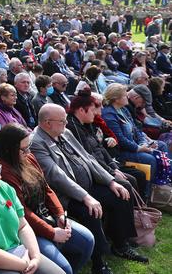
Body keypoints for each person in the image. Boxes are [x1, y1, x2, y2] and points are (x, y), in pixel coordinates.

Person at [32, 104, 147, 273]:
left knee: (122, 191)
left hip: (88, 186)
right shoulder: (37, 142)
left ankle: (121, 244)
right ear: (47, 123)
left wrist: (110, 181)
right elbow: (56, 176)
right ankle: (99, 263)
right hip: (67, 196)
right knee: (91, 211)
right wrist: (86, 196)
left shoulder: (65, 133)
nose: (66, 123)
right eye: (63, 121)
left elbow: (88, 158)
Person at [0, 124, 94, 274]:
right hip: (27, 227)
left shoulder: (29, 158)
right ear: (8, 148)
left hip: (46, 216)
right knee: (63, 269)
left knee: (87, 240)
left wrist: (59, 215)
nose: (28, 152)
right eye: (23, 149)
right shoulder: (3, 172)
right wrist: (52, 232)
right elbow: (22, 212)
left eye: (29, 146)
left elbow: (46, 188)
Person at [67, 90, 147, 199]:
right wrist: (111, 171)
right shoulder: (74, 127)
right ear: (81, 110)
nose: (97, 111)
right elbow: (89, 156)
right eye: (94, 108)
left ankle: (140, 208)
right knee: (128, 182)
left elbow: (100, 147)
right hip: (96, 170)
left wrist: (113, 168)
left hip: (107, 163)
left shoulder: (88, 123)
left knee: (135, 177)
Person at [101, 83, 161, 197]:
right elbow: (120, 139)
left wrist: (144, 143)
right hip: (122, 152)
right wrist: (139, 149)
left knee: (160, 145)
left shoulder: (123, 109)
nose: (127, 97)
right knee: (150, 159)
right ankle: (146, 196)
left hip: (134, 146)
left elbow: (136, 129)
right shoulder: (109, 114)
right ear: (116, 99)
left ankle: (158, 187)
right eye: (124, 95)